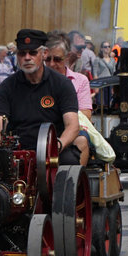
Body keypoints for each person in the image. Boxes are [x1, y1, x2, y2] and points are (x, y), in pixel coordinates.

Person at [0, 28, 82, 167]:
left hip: (53, 150)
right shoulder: (6, 87)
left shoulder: (62, 84)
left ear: (44, 53)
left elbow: (73, 126)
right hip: (17, 151)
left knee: (69, 163)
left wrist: (58, 145)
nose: (27, 57)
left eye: (33, 53)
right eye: (22, 53)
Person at [44, 33, 91, 165]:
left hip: (71, 128)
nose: (52, 64)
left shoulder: (80, 80)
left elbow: (86, 114)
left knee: (81, 140)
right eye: (48, 60)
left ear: (67, 58)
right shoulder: (37, 81)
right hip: (44, 129)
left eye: (57, 60)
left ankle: (75, 181)